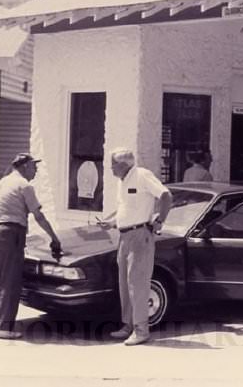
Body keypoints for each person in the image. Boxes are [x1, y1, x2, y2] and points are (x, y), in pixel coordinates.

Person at [0, 153, 61, 339]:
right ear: (24, 167)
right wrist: (54, 237)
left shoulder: (4, 182)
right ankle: (4, 327)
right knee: (11, 280)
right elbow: (38, 216)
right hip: (12, 232)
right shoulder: (25, 185)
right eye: (33, 167)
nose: (36, 170)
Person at [98, 147, 172, 345]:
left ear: (123, 165)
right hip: (124, 236)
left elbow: (165, 196)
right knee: (125, 283)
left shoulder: (142, 175)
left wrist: (160, 220)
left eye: (113, 165)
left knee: (137, 284)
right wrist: (112, 222)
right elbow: (127, 209)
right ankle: (128, 326)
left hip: (140, 236)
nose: (111, 169)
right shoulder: (123, 182)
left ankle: (141, 330)